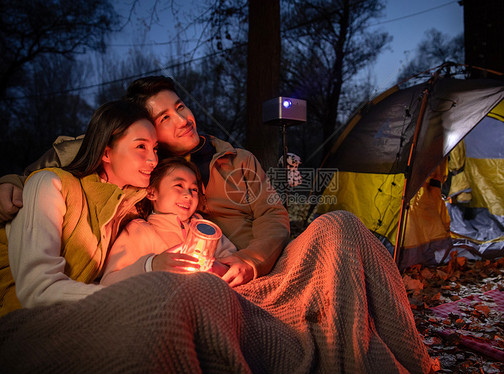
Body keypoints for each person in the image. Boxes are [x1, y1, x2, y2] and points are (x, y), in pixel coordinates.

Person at [0, 75, 290, 287]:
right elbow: (87, 148)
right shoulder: (149, 166)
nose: (182, 120)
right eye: (165, 118)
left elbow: (273, 214)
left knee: (331, 228)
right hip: (189, 274)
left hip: (254, 262)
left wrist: (251, 261)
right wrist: (11, 181)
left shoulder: (238, 159)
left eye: (180, 107)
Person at [0, 100, 168, 316]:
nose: (153, 159)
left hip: (63, 319)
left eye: (155, 148)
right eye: (140, 146)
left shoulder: (122, 212)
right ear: (106, 153)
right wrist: (129, 300)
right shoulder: (50, 185)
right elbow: (37, 289)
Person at [100, 157, 236, 286]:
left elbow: (233, 262)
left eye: (194, 189)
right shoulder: (141, 232)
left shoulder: (204, 229)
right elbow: (108, 281)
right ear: (152, 193)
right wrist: (151, 265)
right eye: (178, 185)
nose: (188, 195)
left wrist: (217, 269)